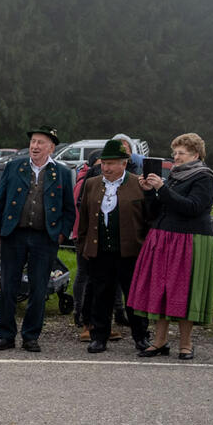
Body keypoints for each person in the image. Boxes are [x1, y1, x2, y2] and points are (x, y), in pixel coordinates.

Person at [128, 133, 213, 361]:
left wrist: (163, 189)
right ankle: (159, 341)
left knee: (184, 292)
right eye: (175, 153)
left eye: (182, 153)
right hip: (164, 237)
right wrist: (150, 192)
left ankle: (186, 344)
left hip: (191, 239)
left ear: (196, 155)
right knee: (161, 289)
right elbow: (155, 212)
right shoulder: (174, 177)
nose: (176, 157)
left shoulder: (204, 177)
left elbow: (193, 207)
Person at [0, 127, 76, 353]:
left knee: (39, 289)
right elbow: (0, 199)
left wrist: (61, 233)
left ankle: (30, 336)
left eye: (40, 143)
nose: (35, 146)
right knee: (8, 286)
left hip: (44, 237)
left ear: (51, 147)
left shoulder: (63, 173)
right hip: (14, 235)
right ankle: (5, 335)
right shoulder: (14, 167)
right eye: (33, 142)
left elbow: (69, 208)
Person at [75, 140, 152, 354]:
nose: (106, 168)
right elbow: (84, 220)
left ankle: (141, 336)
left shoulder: (138, 183)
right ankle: (99, 336)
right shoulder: (92, 184)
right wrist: (84, 247)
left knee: (134, 297)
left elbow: (149, 218)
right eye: (104, 163)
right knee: (102, 295)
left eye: (111, 163)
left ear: (124, 164)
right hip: (101, 252)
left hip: (131, 252)